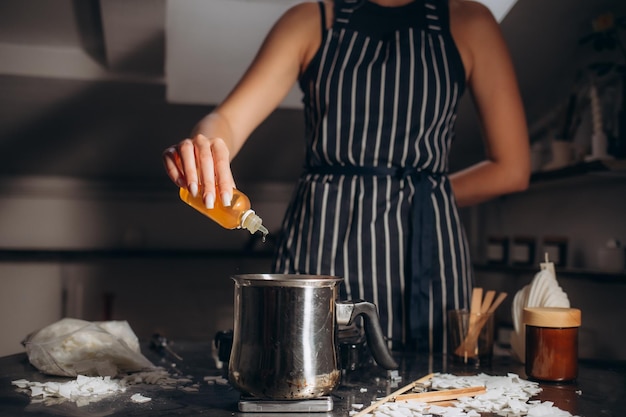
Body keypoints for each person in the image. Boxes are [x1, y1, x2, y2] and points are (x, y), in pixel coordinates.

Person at [163, 0, 530, 354]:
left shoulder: (472, 23)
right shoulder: (309, 20)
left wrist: (415, 196)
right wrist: (205, 145)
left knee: (436, 388)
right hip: (322, 241)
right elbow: (226, 120)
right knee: (304, 372)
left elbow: (511, 170)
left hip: (428, 247)